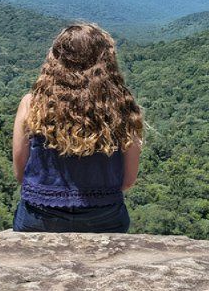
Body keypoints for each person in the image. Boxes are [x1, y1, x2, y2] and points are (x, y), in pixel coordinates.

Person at [11, 23, 143, 233]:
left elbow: (21, 173)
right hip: (105, 217)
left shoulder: (31, 104)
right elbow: (128, 180)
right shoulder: (122, 107)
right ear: (106, 62)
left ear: (56, 58)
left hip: (40, 217)